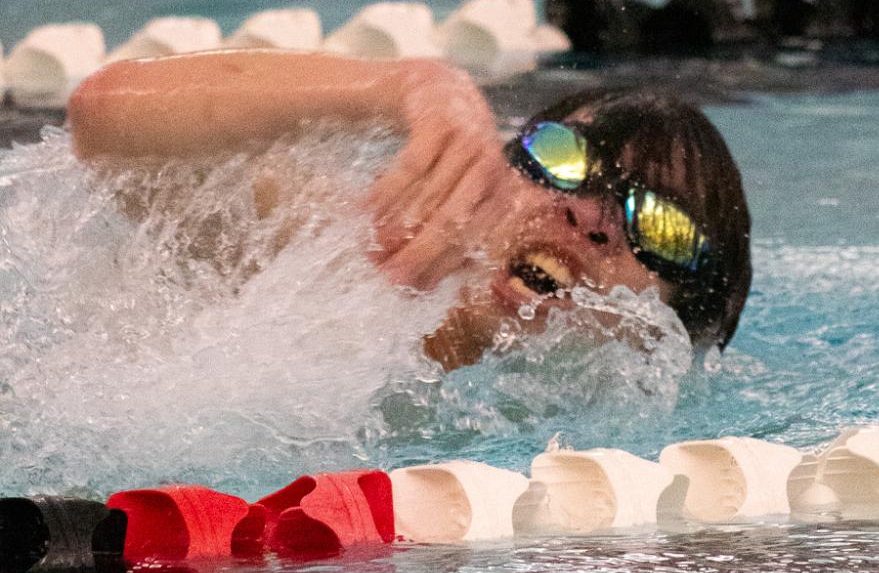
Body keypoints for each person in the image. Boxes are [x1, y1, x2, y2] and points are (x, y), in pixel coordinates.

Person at [67, 50, 753, 372]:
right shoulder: (333, 256)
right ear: (493, 172)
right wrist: (408, 84)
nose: (590, 216)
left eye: (659, 224)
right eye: (565, 160)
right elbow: (105, 118)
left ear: (677, 319)